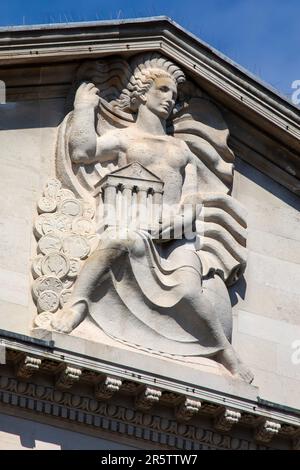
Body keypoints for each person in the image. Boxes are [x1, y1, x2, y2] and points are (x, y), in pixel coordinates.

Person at [51, 54, 253, 383]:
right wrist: (85, 109)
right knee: (119, 241)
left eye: (173, 94)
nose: (169, 98)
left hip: (176, 232)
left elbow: (191, 196)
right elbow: (83, 152)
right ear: (142, 93)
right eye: (162, 90)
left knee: (189, 292)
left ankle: (223, 351)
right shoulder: (125, 138)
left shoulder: (182, 150)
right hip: (133, 220)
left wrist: (183, 217)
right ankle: (78, 304)